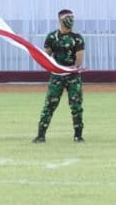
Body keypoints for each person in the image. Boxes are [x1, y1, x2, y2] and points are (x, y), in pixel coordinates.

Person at [32, 9, 85, 143]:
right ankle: (41, 135)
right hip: (57, 76)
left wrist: (74, 67)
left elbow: (79, 59)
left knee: (76, 106)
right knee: (49, 105)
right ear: (59, 20)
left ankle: (78, 135)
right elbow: (46, 56)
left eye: (72, 18)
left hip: (73, 77)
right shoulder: (52, 37)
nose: (70, 20)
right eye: (67, 18)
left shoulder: (77, 38)